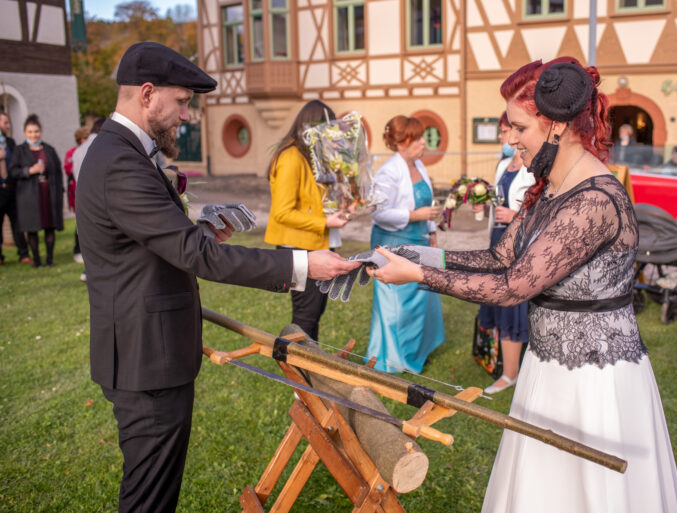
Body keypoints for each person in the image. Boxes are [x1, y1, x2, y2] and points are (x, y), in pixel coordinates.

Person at [365, 58, 677, 511]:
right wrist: (418, 254)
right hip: (547, 369)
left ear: (554, 126)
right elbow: (500, 257)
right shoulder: (550, 188)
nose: (511, 139)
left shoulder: (593, 199)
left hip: (595, 383)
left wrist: (416, 275)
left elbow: (514, 285)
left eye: (517, 127)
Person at [76, 42, 358, 513]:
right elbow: (194, 255)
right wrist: (304, 265)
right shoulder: (120, 160)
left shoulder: (121, 151)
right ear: (147, 94)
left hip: (148, 351)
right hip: (144, 359)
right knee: (148, 498)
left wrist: (204, 228)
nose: (186, 116)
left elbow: (153, 241)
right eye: (183, 102)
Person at [264, 100, 351, 341]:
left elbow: (314, 200)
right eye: (328, 127)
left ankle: (311, 362)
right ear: (313, 126)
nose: (332, 133)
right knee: (306, 313)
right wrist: (324, 223)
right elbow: (282, 212)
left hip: (318, 243)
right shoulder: (291, 157)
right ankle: (300, 369)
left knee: (315, 311)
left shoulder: (311, 155)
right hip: (299, 247)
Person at [365, 115, 444, 373]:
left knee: (421, 298)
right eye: (418, 138)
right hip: (393, 244)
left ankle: (416, 351)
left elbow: (427, 204)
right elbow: (378, 212)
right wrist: (413, 216)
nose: (424, 142)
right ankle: (391, 359)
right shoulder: (388, 171)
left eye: (423, 137)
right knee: (397, 305)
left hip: (419, 240)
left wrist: (431, 231)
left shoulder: (419, 166)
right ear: (401, 143)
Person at [472, 112, 535, 394]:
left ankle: (511, 374)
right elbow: (497, 201)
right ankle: (499, 361)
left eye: (504, 131)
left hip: (520, 242)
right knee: (496, 298)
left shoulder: (534, 167)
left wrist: (515, 215)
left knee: (512, 303)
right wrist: (482, 206)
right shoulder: (502, 165)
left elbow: (542, 210)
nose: (501, 138)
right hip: (498, 239)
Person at [9, 114, 64, 267]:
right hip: (29, 196)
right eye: (30, 132)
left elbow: (57, 172)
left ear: (41, 132)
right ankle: (37, 260)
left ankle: (50, 259)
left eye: (36, 131)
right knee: (32, 228)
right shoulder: (19, 150)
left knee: (49, 226)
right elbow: (13, 171)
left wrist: (60, 191)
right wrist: (29, 170)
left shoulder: (49, 149)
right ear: (25, 133)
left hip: (48, 193)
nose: (34, 135)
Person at [71, 117, 107, 281]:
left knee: (89, 240)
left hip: (83, 198)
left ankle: (89, 270)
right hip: (100, 198)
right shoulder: (101, 146)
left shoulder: (78, 150)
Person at [0, 111, 31, 265]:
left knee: (17, 223)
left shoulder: (10, 143)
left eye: (7, 123)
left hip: (12, 188)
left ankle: (23, 254)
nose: (7, 126)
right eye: (4, 123)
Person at [65, 126, 89, 264]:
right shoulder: (72, 153)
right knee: (79, 222)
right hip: (77, 190)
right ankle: (77, 249)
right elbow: (69, 169)